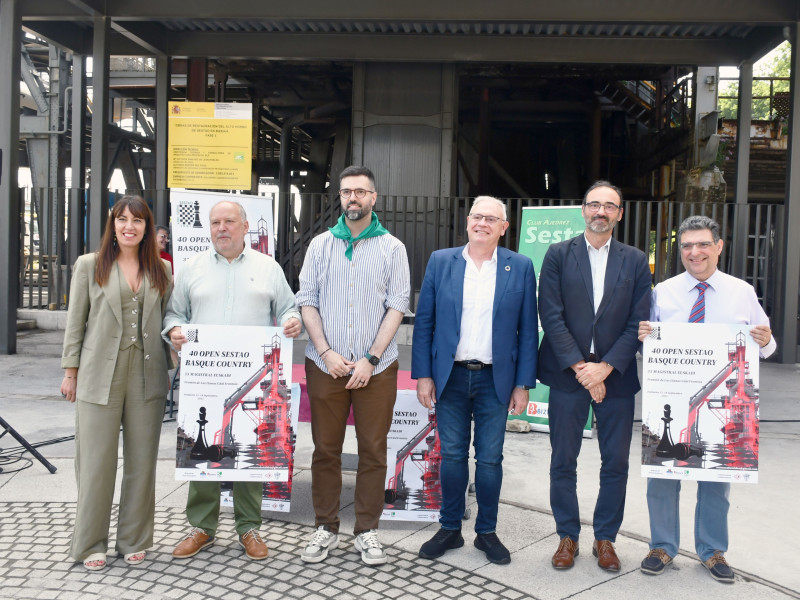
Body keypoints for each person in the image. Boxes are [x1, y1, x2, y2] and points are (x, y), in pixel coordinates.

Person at [638, 215, 775, 583]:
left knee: (718, 479)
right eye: (686, 246)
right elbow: (644, 342)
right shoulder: (662, 292)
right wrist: (643, 334)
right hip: (670, 394)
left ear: (718, 246)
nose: (694, 252)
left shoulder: (741, 292)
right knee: (663, 476)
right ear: (679, 250)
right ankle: (662, 546)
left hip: (722, 400)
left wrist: (764, 340)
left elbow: (768, 344)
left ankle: (712, 551)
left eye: (702, 244)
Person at [163, 200, 301, 561]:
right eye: (215, 222)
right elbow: (174, 314)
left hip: (249, 374)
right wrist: (175, 330)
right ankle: (202, 527)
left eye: (228, 221)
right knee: (201, 448)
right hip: (205, 375)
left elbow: (288, 307)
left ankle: (248, 527)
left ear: (243, 226)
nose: (221, 228)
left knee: (248, 448)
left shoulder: (268, 268)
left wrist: (291, 321)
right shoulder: (191, 269)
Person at [411, 196, 538, 565]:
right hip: (449, 377)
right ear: (467, 221)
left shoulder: (521, 266)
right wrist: (423, 376)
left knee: (490, 460)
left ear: (504, 226)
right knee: (451, 456)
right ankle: (450, 528)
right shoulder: (441, 261)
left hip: (494, 380)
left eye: (491, 218)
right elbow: (425, 325)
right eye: (477, 216)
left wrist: (522, 383)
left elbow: (528, 330)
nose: (482, 223)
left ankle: (486, 533)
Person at [296, 165, 410, 566]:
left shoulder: (393, 248)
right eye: (346, 192)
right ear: (340, 197)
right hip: (325, 365)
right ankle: (325, 527)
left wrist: (371, 358)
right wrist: (325, 351)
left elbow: (397, 306)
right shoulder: (320, 245)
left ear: (374, 198)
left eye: (361, 192)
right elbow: (306, 300)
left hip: (375, 368)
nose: (353, 199)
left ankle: (367, 530)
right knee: (325, 450)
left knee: (373, 451)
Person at [538, 180, 651, 572]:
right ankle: (567, 536)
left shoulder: (635, 260)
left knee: (615, 462)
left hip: (615, 375)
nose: (600, 211)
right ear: (583, 210)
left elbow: (639, 320)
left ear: (619, 213)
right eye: (593, 204)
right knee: (563, 459)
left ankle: (606, 538)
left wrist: (606, 367)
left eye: (609, 206)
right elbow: (550, 315)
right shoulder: (558, 255)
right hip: (569, 373)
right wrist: (582, 368)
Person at [60, 195, 173, 571]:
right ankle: (91, 542)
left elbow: (169, 322)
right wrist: (70, 371)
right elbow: (76, 322)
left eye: (138, 221)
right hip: (97, 374)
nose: (130, 226)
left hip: (147, 375)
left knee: (142, 462)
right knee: (96, 463)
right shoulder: (90, 266)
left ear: (147, 227)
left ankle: (134, 538)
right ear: (114, 224)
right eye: (123, 219)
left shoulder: (162, 272)